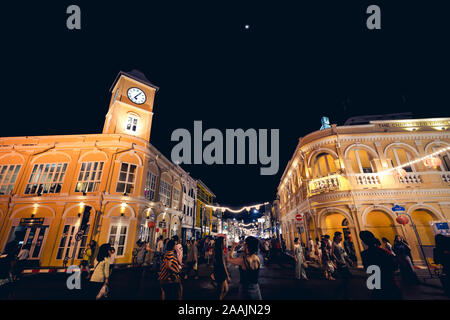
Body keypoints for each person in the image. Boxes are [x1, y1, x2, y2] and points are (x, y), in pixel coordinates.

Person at [359, 231, 402, 299]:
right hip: (390, 283)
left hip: (377, 285)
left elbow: (367, 269)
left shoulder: (364, 254)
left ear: (364, 242)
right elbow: (395, 266)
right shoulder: (384, 251)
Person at [332, 232, 353, 299]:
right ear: (337, 237)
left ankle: (342, 292)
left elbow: (343, 252)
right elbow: (332, 253)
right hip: (340, 263)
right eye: (340, 236)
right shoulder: (334, 244)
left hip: (343, 262)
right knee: (345, 277)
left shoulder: (339, 244)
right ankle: (343, 294)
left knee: (346, 278)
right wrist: (337, 260)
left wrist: (348, 260)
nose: (341, 237)